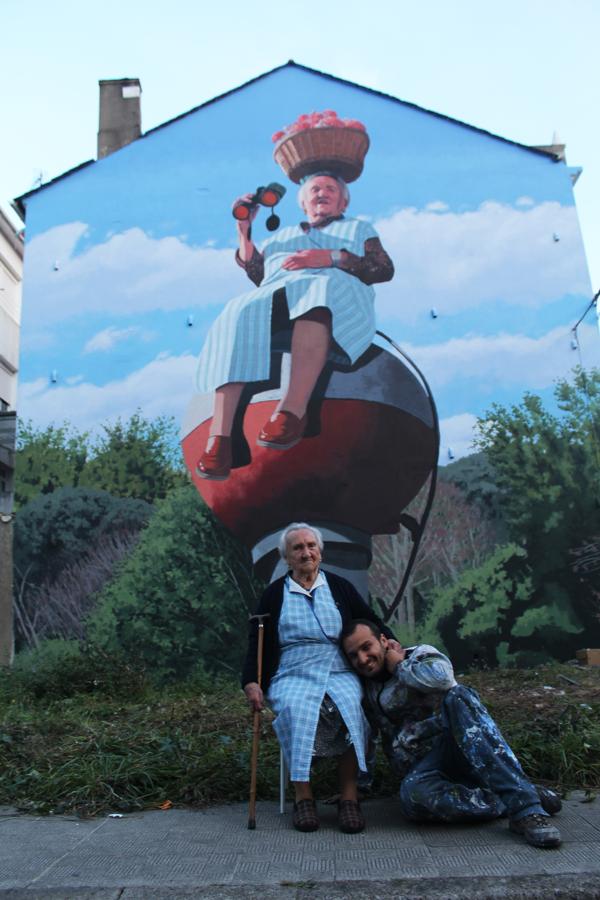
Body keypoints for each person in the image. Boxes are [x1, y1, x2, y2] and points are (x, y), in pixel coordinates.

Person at [196, 173, 394, 479]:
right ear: (303, 202)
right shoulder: (282, 236)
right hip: (280, 298)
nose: (322, 194)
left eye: (330, 189)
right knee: (237, 311)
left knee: (317, 291)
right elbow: (259, 274)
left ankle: (292, 411)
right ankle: (219, 439)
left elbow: (381, 268)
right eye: (315, 189)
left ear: (343, 201)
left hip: (336, 294)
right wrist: (244, 230)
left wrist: (328, 257)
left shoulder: (358, 229)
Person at [340, 620, 563, 848]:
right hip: (426, 770)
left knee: (459, 696)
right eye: (354, 655)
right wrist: (361, 785)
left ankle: (526, 810)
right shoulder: (367, 691)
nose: (363, 658)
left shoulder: (419, 655)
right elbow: (368, 736)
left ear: (383, 641)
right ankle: (505, 797)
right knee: (412, 797)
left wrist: (399, 667)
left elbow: (443, 679)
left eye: (367, 647)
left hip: (462, 749)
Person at [241, 523, 394, 833]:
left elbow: (370, 620)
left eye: (311, 546)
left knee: (352, 705)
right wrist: (250, 681)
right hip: (292, 672)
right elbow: (256, 643)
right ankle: (304, 799)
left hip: (337, 670)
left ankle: (350, 799)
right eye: (297, 548)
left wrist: (389, 641)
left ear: (320, 552)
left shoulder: (339, 587)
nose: (305, 552)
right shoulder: (274, 595)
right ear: (286, 557)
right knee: (296, 709)